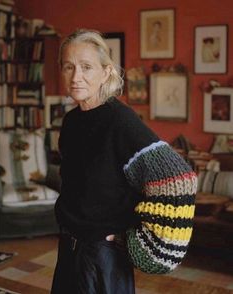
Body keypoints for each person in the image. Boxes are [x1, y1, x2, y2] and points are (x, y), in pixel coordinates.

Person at [51, 29, 197, 294]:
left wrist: (140, 243)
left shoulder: (120, 121)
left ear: (106, 72)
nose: (76, 77)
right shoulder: (71, 122)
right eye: (68, 67)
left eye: (86, 67)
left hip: (102, 256)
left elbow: (178, 178)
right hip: (68, 247)